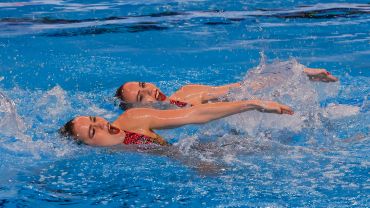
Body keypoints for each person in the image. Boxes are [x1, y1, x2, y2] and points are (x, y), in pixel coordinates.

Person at [60, 100, 294, 146]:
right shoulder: (101, 158)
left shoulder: (132, 120)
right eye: (93, 131)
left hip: (202, 152)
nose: (102, 124)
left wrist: (251, 104)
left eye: (94, 120)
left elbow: (194, 114)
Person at [115, 67, 337, 109]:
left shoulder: (186, 93)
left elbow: (242, 87)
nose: (149, 91)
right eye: (141, 96)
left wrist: (296, 74)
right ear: (134, 108)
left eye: (144, 85)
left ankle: (302, 73)